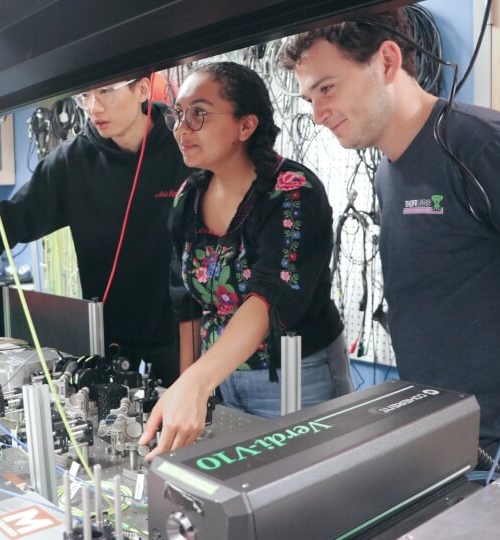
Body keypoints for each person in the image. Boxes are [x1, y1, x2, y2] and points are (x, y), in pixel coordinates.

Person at [282, 8, 500, 472]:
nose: (318, 113)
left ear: (388, 61)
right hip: (447, 438)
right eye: (309, 97)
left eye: (327, 88)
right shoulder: (390, 169)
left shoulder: (485, 146)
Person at [0, 76, 193, 388]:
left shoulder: (184, 147)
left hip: (183, 335)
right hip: (107, 341)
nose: (93, 107)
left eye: (105, 92)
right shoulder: (71, 163)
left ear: (141, 89)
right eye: (84, 95)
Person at [139, 62, 353, 460]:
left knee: (311, 485)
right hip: (221, 378)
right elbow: (185, 301)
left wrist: (198, 382)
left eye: (198, 114)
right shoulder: (190, 195)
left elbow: (269, 298)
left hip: (296, 375)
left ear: (245, 125)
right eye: (178, 114)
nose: (182, 129)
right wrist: (187, 382)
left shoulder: (292, 192)